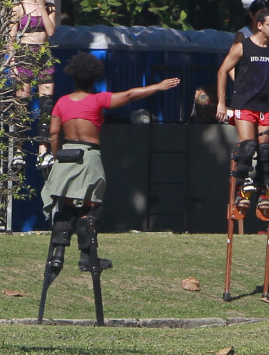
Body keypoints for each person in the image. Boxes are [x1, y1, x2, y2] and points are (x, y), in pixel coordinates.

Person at [39, 53, 180, 303]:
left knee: (68, 206)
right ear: (94, 77)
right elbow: (129, 95)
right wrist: (158, 86)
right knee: (91, 207)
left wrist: (54, 156)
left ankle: (58, 254)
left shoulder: (61, 102)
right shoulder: (97, 100)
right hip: (89, 157)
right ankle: (86, 257)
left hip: (66, 155)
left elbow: (53, 133)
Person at [215, 6, 269, 216]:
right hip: (245, 105)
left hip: (266, 106)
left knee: (266, 152)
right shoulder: (242, 47)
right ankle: (240, 189)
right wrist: (221, 102)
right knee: (248, 147)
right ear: (259, 26)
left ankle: (263, 192)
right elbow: (222, 71)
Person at [12, 0, 58, 100]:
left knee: (47, 98)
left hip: (43, 50)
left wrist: (41, 6)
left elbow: (51, 31)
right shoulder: (19, 8)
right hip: (26, 51)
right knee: (23, 97)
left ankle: (45, 119)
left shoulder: (50, 7)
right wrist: (12, 62)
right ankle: (19, 120)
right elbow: (12, 37)